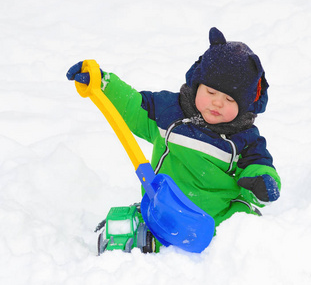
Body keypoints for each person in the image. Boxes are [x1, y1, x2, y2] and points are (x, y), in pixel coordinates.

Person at [67, 27, 281, 251]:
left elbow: (260, 166)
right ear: (196, 85)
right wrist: (103, 84)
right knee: (147, 239)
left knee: (243, 236)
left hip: (218, 219)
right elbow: (131, 105)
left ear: (245, 104)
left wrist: (262, 182)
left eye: (229, 99)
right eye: (210, 92)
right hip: (165, 212)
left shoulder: (244, 138)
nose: (217, 103)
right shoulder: (169, 113)